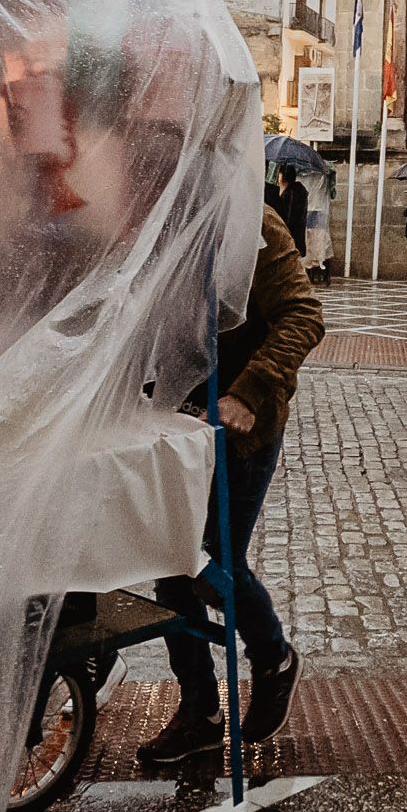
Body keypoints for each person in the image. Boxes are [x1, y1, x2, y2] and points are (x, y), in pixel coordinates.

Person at [138, 199, 318, 769]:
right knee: (173, 567)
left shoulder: (253, 224)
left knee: (217, 566)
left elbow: (304, 316)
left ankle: (274, 659)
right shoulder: (152, 221)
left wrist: (248, 392)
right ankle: (200, 712)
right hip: (172, 425)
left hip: (241, 430)